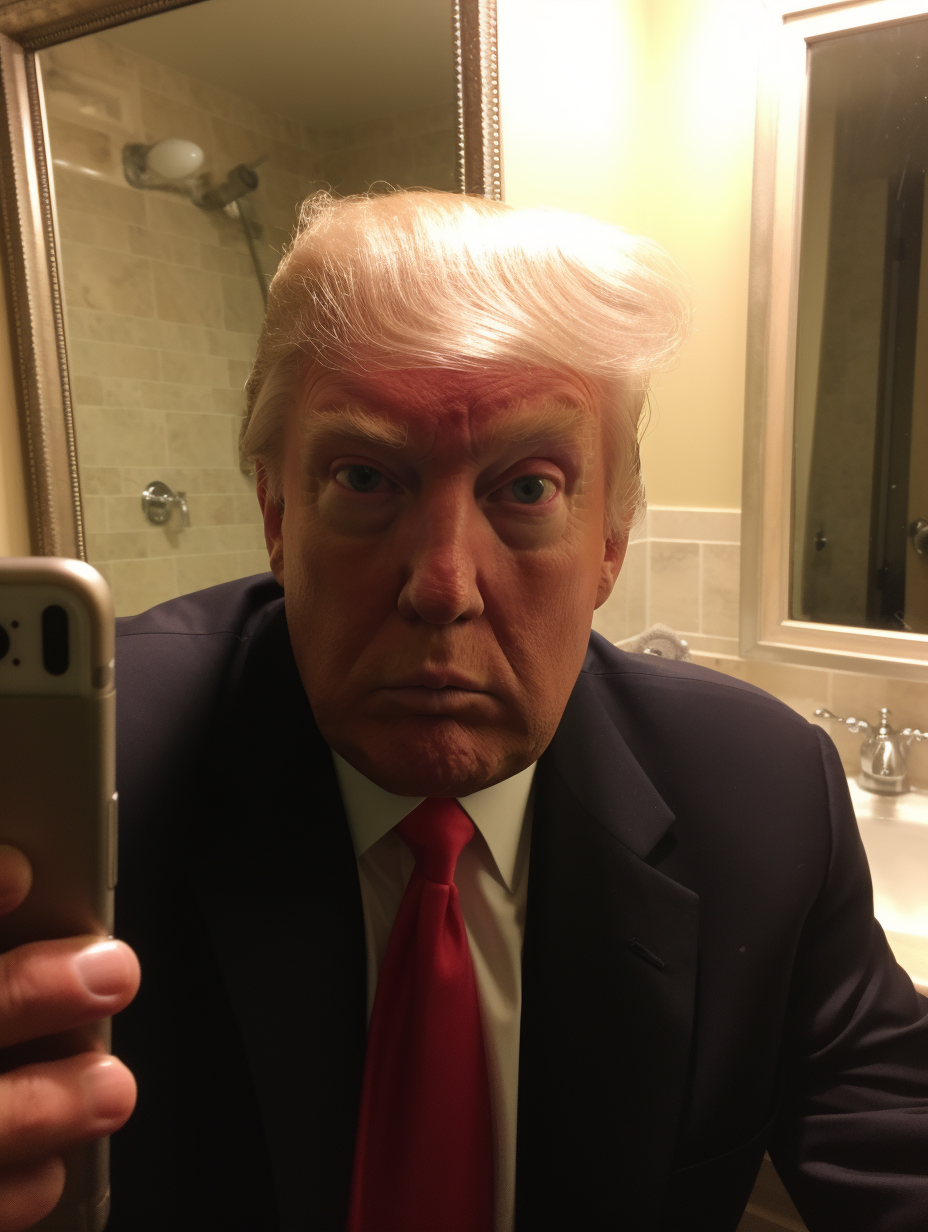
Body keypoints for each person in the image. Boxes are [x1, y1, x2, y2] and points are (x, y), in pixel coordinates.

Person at [0, 189, 926, 1232]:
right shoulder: (72, 785)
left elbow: (893, 1126)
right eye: (364, 476)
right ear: (276, 513)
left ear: (611, 541)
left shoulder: (763, 797)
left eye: (527, 489)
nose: (442, 586)